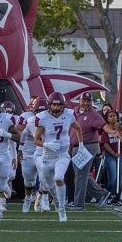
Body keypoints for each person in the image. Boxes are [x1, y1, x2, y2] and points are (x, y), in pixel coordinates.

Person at [34, 92, 84, 222]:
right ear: (49, 105)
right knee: (50, 186)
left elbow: (78, 128)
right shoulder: (42, 117)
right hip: (47, 157)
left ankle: (62, 209)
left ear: (63, 105)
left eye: (59, 105)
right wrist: (46, 144)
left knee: (59, 177)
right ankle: (57, 201)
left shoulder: (69, 115)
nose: (56, 108)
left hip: (62, 155)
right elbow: (36, 140)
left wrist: (81, 145)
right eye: (54, 104)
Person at [69, 92, 114, 211]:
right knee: (81, 174)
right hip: (76, 146)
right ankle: (102, 194)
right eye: (84, 100)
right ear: (79, 100)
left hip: (88, 146)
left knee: (80, 174)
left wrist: (113, 132)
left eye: (88, 101)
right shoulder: (74, 111)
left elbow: (104, 126)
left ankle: (78, 204)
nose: (86, 103)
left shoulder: (94, 114)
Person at [100, 109, 122, 204]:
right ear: (107, 119)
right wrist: (114, 153)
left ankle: (117, 197)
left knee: (119, 178)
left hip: (121, 156)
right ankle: (105, 194)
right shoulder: (106, 130)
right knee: (113, 178)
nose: (113, 118)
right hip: (111, 156)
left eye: (114, 116)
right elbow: (105, 144)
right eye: (110, 116)